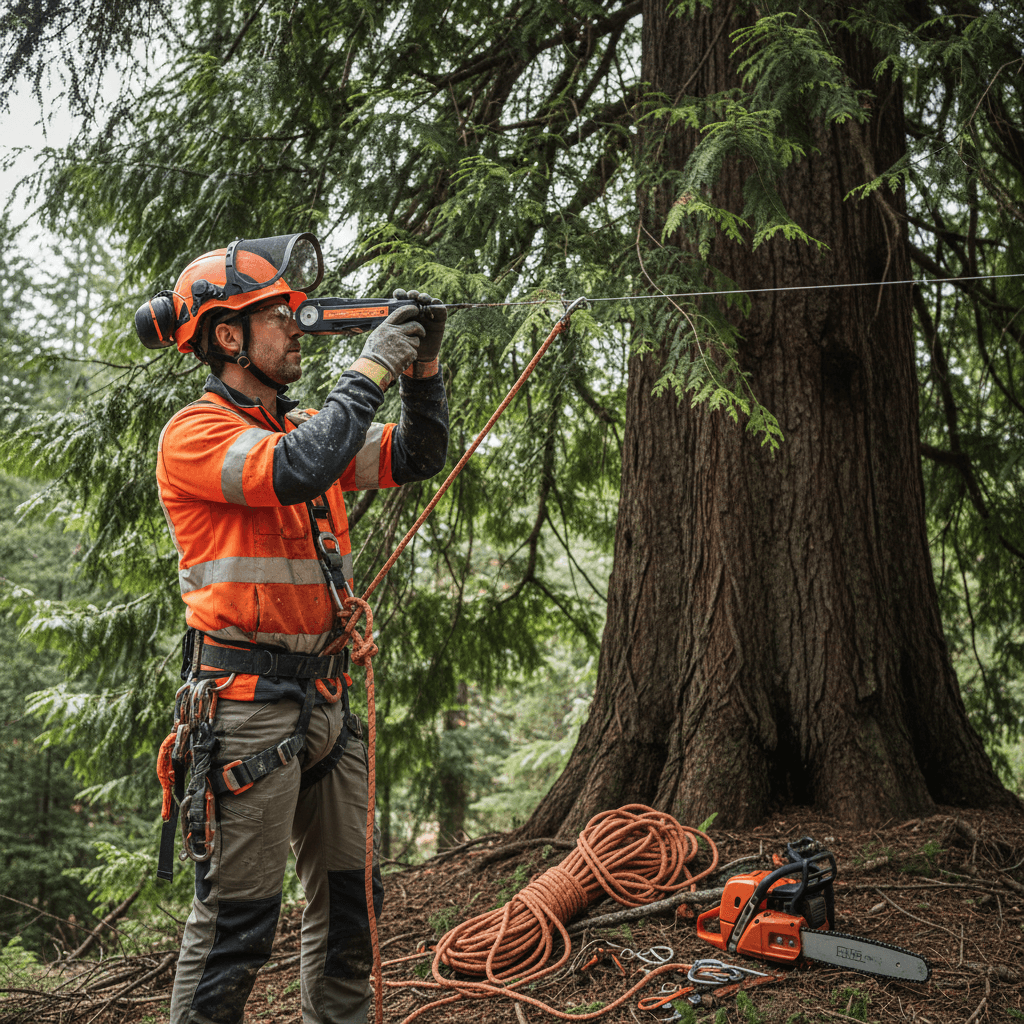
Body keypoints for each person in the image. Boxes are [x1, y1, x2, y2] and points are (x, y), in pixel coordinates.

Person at [147, 233, 449, 1024]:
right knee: (238, 929)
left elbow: (418, 454)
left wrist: (423, 370)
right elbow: (295, 469)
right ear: (227, 336)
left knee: (352, 911)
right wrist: (375, 363)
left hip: (327, 699)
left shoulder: (312, 421)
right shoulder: (194, 435)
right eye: (280, 317)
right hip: (245, 709)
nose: (298, 331)